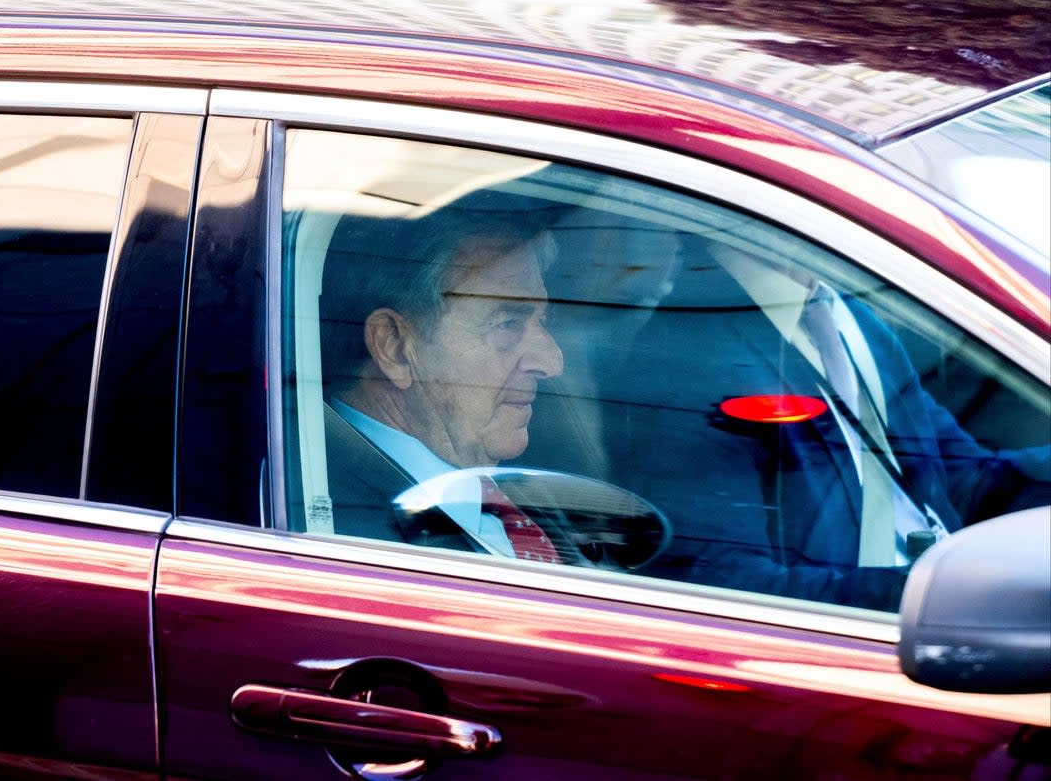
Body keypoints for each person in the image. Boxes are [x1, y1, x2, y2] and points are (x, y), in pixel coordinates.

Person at [613, 236, 1051, 610]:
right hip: (866, 633)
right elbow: (726, 585)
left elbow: (957, 477)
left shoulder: (847, 313)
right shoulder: (689, 357)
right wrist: (933, 592)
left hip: (934, 581)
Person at [317, 210, 587, 564]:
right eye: (507, 323)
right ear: (395, 347)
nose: (552, 362)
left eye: (542, 321)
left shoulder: (508, 487)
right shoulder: (336, 531)